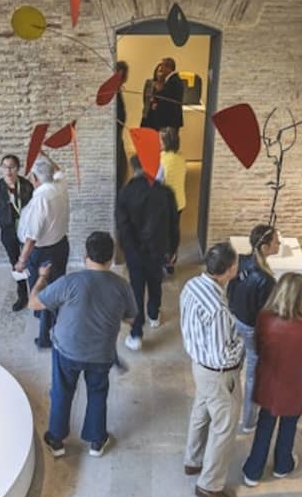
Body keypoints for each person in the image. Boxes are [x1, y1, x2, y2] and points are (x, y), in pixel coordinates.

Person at [29, 231, 137, 457]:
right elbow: (130, 318)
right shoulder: (122, 286)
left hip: (67, 351)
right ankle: (96, 442)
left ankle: (56, 441)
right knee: (97, 393)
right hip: (102, 353)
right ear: (111, 258)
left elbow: (34, 304)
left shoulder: (70, 282)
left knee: (62, 392)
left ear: (85, 255)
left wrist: (41, 278)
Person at [242, 273, 302, 486]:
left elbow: (258, 348)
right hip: (296, 386)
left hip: (270, 382)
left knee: (265, 424)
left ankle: (253, 471)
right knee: (289, 424)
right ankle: (282, 464)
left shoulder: (264, 319)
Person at [180, 242, 244, 497]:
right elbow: (222, 355)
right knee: (224, 427)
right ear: (229, 270)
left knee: (201, 411)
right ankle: (209, 485)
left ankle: (193, 460)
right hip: (217, 374)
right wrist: (242, 343)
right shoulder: (217, 308)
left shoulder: (192, 285)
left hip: (199, 365)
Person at [116, 154, 179, 351]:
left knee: (136, 288)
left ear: (133, 167)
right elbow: (173, 224)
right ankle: (154, 314)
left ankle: (136, 334)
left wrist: (127, 249)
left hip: (134, 252)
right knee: (155, 282)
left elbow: (122, 227)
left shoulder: (125, 193)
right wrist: (173, 249)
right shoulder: (165, 192)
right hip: (158, 249)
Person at [227, 224, 279, 432]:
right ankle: (248, 422)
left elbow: (230, 290)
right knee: (253, 376)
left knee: (232, 367)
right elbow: (265, 314)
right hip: (252, 330)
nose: (279, 244)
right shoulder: (266, 280)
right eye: (276, 242)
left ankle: (226, 411)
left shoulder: (240, 261)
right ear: (265, 247)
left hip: (236, 320)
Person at [14, 155, 70, 349]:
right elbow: (58, 170)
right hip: (60, 246)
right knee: (56, 286)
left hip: (42, 253)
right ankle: (53, 316)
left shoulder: (41, 199)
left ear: (35, 178)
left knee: (43, 292)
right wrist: (43, 153)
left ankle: (45, 337)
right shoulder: (60, 185)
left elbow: (32, 237)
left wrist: (22, 261)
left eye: (31, 175)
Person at [0, 154, 34, 312]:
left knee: (31, 260)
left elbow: (33, 209)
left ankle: (35, 292)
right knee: (15, 262)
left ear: (18, 168)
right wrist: (4, 223)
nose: (8, 171)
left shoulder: (27, 185)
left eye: (12, 167)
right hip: (8, 231)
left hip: (27, 230)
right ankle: (22, 294)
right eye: (5, 167)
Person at [159, 126, 186, 271]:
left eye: (160, 140)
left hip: (164, 204)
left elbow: (157, 182)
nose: (158, 142)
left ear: (166, 142)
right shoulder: (181, 158)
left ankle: (164, 261)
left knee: (162, 233)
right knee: (174, 231)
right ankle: (172, 260)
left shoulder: (161, 160)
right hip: (179, 202)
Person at [141, 57, 184, 132]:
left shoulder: (174, 81)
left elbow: (167, 99)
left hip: (169, 122)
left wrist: (157, 104)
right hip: (161, 120)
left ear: (168, 68)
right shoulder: (171, 80)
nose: (162, 70)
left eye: (163, 67)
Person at [116, 60, 129, 191]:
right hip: (114, 135)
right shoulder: (114, 91)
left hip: (118, 134)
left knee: (122, 166)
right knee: (120, 167)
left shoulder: (117, 90)